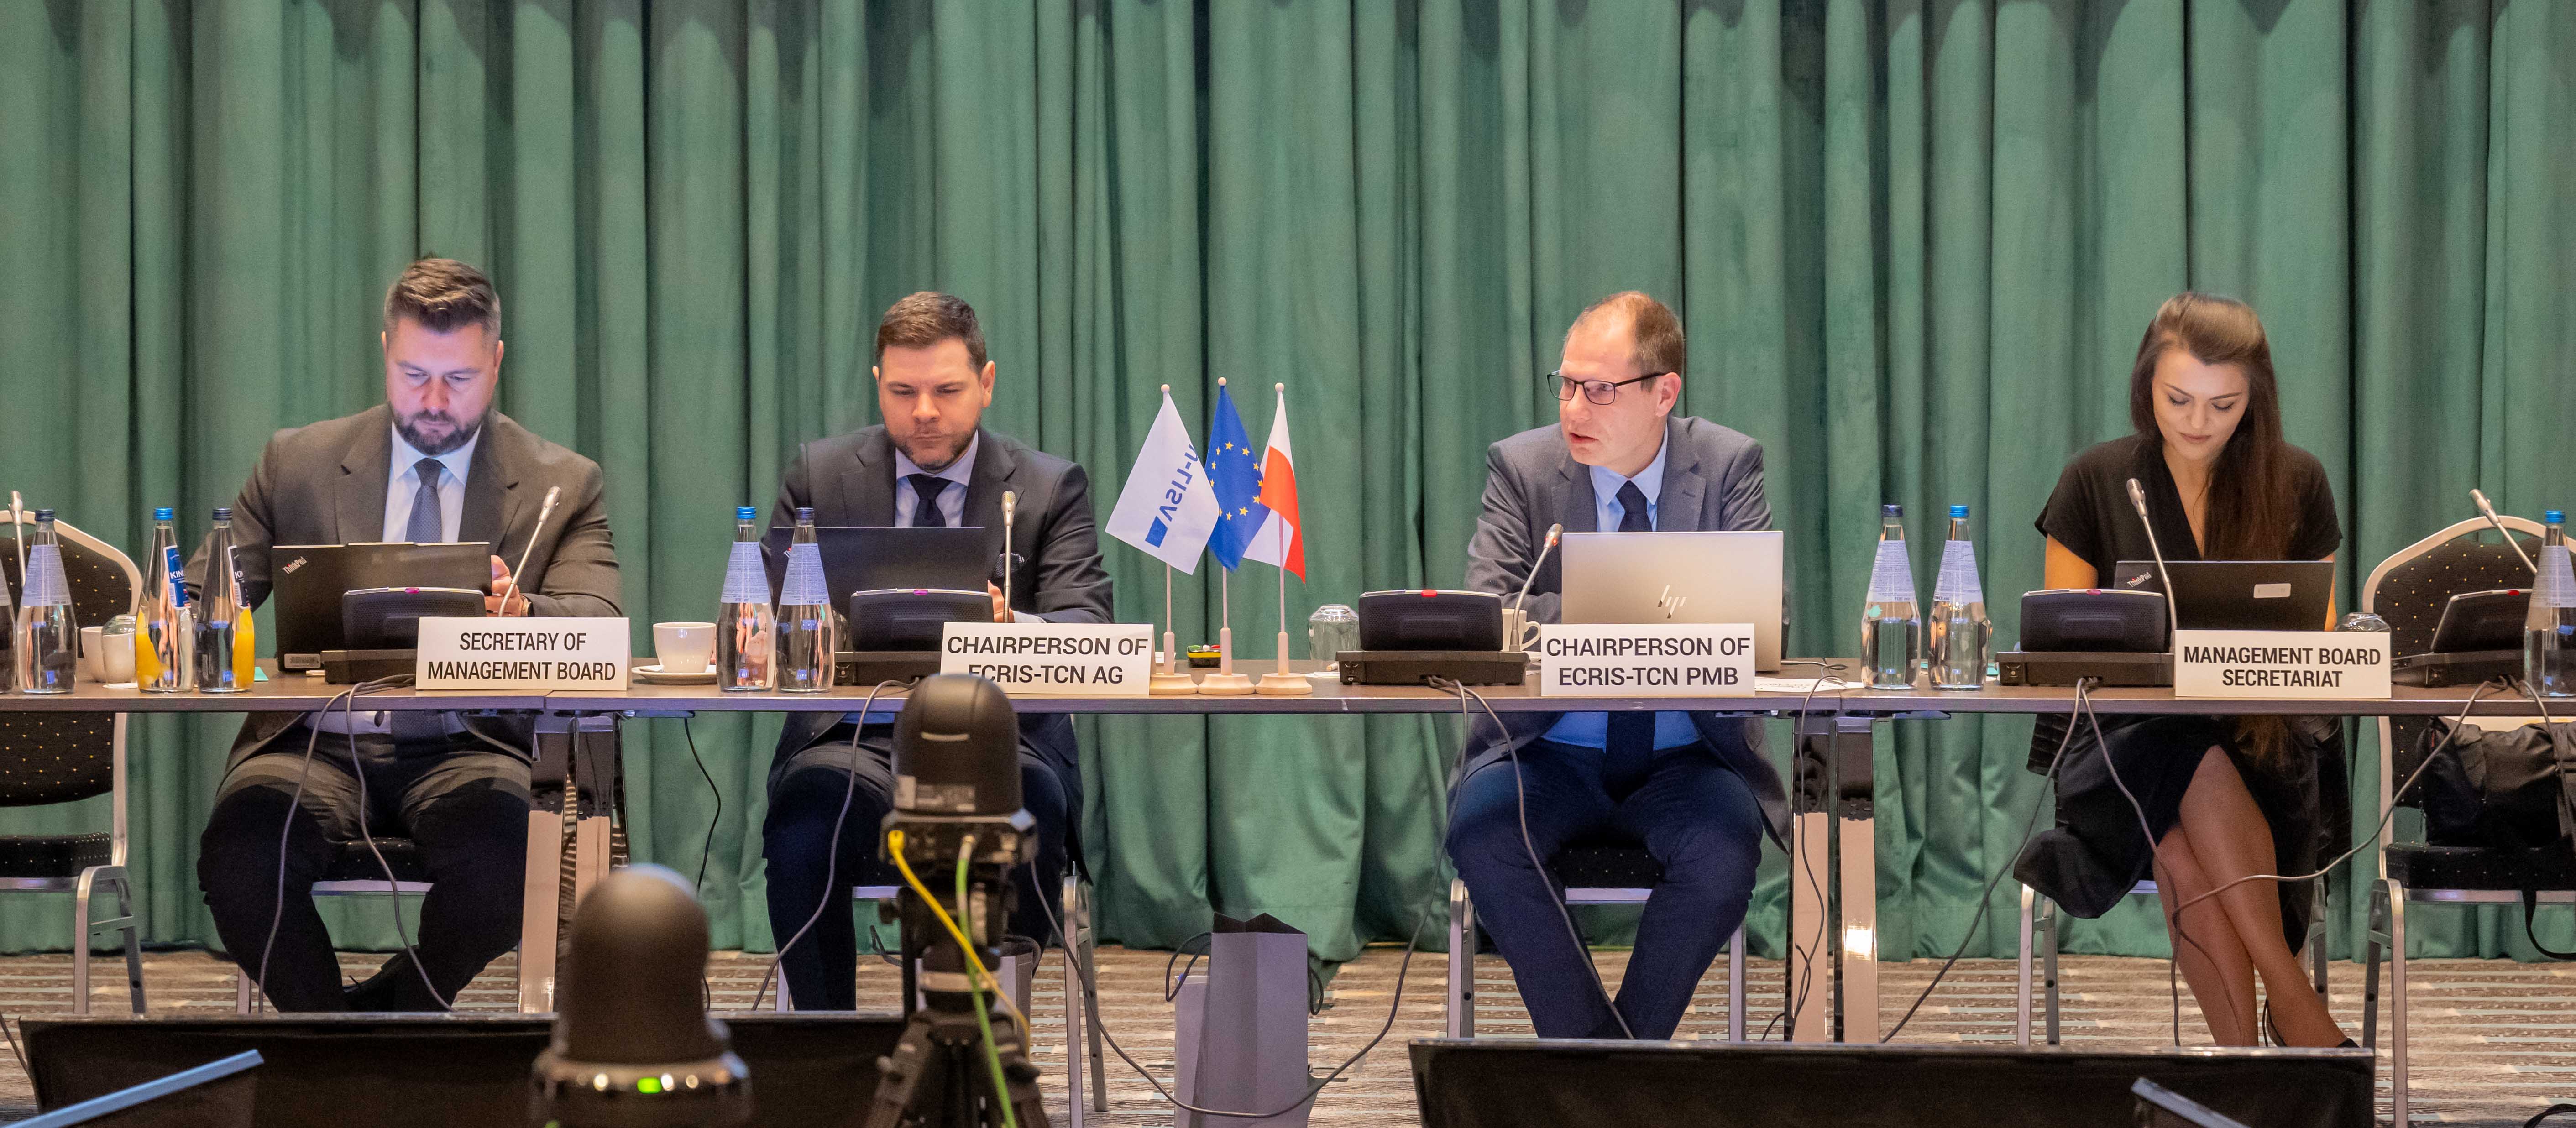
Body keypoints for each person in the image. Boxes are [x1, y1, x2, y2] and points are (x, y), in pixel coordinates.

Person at [190, 258, 623, 1011]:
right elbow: (201, 599)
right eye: (414, 374)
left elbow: (601, 620)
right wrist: (169, 617)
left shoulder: (561, 483)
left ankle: (386, 1019)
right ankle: (340, 1038)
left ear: (496, 363)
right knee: (242, 857)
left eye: (458, 379)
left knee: (510, 864)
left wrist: (526, 613)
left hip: (469, 746)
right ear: (386, 349)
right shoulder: (297, 463)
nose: (433, 401)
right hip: (313, 745)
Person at [2012, 292, 2353, 1048]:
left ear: (2254, 401)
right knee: (2184, 757)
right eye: (2178, 400)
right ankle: (2294, 1008)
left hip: (2259, 744)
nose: (2199, 422)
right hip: (2119, 748)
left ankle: (2241, 1069)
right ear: (2147, 388)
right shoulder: (2096, 479)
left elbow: (2319, 644)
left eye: (2223, 405)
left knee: (2184, 842)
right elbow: (2059, 647)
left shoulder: (2296, 481)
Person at [762, 291, 1113, 1010]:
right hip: (853, 742)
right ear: (878, 385)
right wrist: (784, 629)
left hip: (1002, 746)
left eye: (946, 391)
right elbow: (767, 616)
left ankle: (987, 1039)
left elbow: (1088, 624)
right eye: (903, 392)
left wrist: (1011, 625)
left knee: (1034, 804)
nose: (924, 411)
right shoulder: (819, 477)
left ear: (986, 384)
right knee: (803, 817)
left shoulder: (1048, 488)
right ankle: (832, 1051)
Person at [1453, 291, 1782, 1039]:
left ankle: (1604, 1072)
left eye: (1599, 389)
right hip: (1546, 751)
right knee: (1481, 832)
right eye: (1566, 385)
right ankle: (1612, 1073)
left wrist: (1586, 606)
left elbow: (1759, 617)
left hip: (1686, 757)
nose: (1575, 408)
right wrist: (1659, 603)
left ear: (1664, 393)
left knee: (1724, 854)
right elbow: (1494, 615)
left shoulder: (1728, 465)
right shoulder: (1522, 468)